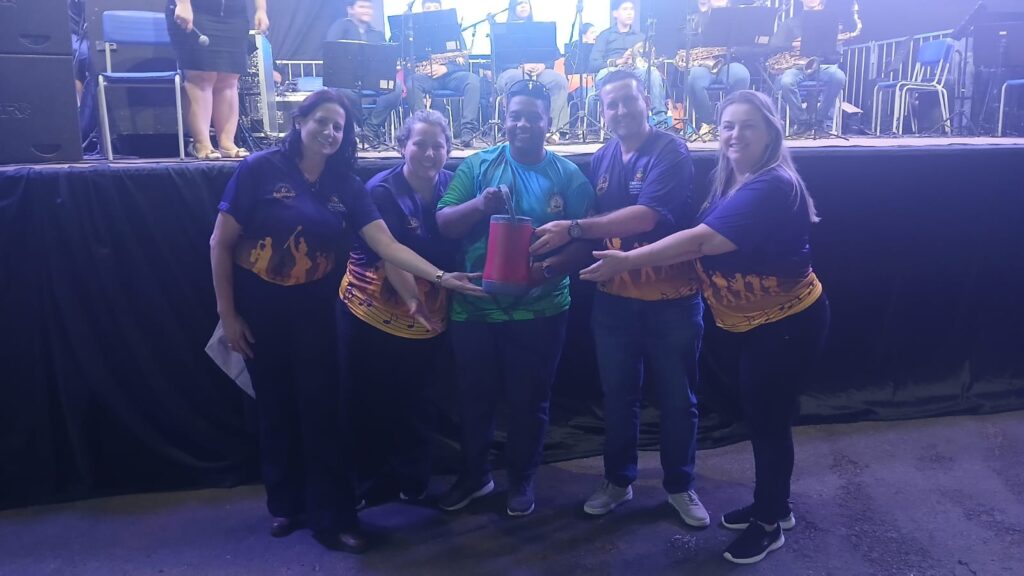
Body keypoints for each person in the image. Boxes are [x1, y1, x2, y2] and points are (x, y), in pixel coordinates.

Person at [210, 90, 481, 553]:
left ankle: (332, 518)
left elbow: (387, 245)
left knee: (323, 414)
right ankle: (285, 505)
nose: (330, 132)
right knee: (274, 409)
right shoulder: (259, 169)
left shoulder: (347, 185)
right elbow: (220, 243)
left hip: (317, 311)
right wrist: (228, 314)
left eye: (338, 126)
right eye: (322, 121)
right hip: (260, 310)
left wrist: (440, 278)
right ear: (300, 121)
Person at [579, 90, 830, 565]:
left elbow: (701, 241)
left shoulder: (772, 184)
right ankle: (773, 506)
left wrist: (626, 260)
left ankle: (768, 523)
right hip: (756, 323)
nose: (735, 135)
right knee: (763, 417)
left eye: (748, 126)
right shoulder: (734, 177)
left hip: (786, 322)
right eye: (728, 125)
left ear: (771, 132)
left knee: (769, 423)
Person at [531, 70, 709, 527]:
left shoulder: (671, 149)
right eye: (611, 104)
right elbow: (599, 220)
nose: (621, 110)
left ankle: (680, 485)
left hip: (671, 297)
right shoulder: (604, 155)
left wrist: (572, 228)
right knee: (618, 396)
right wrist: (552, 258)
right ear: (602, 111)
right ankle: (617, 480)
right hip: (615, 298)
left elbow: (645, 217)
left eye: (628, 100)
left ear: (645, 100)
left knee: (677, 399)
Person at [434, 80, 595, 517]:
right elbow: (445, 223)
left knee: (530, 400)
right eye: (514, 116)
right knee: (474, 400)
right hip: (475, 307)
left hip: (541, 310)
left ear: (549, 121)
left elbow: (588, 240)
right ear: (503, 119)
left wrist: (545, 271)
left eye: (532, 117)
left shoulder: (568, 175)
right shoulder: (478, 166)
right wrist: (479, 206)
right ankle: (475, 476)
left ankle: (522, 478)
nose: (522, 124)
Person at [336, 110, 459, 503]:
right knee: (367, 398)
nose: (429, 153)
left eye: (437, 146)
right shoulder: (380, 192)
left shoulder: (453, 187)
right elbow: (390, 254)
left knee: (419, 398)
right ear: (402, 146)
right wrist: (412, 299)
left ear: (449, 149)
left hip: (429, 313)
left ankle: (413, 479)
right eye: (419, 144)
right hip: (371, 309)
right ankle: (362, 485)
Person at [167, 0, 269, 159]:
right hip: (196, 10)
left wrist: (261, 9)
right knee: (201, 76)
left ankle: (227, 143)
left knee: (230, 77)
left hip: (234, 14)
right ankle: (201, 143)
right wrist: (183, 4)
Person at [324, 0, 404, 145]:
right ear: (350, 9)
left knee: (396, 87)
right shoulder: (340, 27)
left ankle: (369, 130)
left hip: (372, 78)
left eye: (369, 7)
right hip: (346, 78)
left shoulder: (377, 34)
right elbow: (332, 53)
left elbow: (384, 60)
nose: (366, 10)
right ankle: (363, 129)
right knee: (343, 91)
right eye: (361, 7)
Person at [769, 0, 848, 134]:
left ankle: (819, 120)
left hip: (821, 66)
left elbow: (835, 54)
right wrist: (793, 44)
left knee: (838, 77)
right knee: (786, 81)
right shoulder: (790, 23)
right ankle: (802, 121)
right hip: (796, 67)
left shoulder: (830, 24)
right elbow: (774, 45)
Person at [495, 0, 570, 141]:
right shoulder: (503, 30)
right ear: (512, 8)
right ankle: (514, 127)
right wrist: (521, 66)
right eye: (519, 3)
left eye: (526, 3)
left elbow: (553, 53)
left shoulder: (541, 29)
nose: (524, 6)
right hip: (512, 70)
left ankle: (555, 130)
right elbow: (499, 58)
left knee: (558, 81)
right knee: (517, 79)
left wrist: (543, 65)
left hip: (539, 70)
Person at [412, 0, 482, 147]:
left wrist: (446, 68)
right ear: (422, 11)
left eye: (435, 7)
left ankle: (467, 131)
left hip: (452, 76)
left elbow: (464, 59)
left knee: (472, 80)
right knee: (413, 81)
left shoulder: (453, 30)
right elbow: (410, 60)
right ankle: (420, 128)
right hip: (427, 76)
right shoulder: (414, 33)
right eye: (428, 7)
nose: (432, 10)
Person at [588, 0, 668, 121]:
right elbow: (593, 64)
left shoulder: (640, 37)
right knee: (602, 74)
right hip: (612, 72)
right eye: (625, 9)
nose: (629, 13)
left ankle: (660, 119)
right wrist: (619, 61)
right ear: (615, 13)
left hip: (634, 72)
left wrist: (638, 61)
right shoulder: (605, 36)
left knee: (653, 72)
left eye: (631, 9)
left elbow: (647, 61)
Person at [683, 0, 751, 137]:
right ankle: (707, 122)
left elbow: (746, 43)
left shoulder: (737, 18)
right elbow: (684, 42)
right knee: (694, 78)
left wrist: (735, 49)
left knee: (742, 75)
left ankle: (728, 118)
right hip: (703, 64)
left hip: (727, 63)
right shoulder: (695, 18)